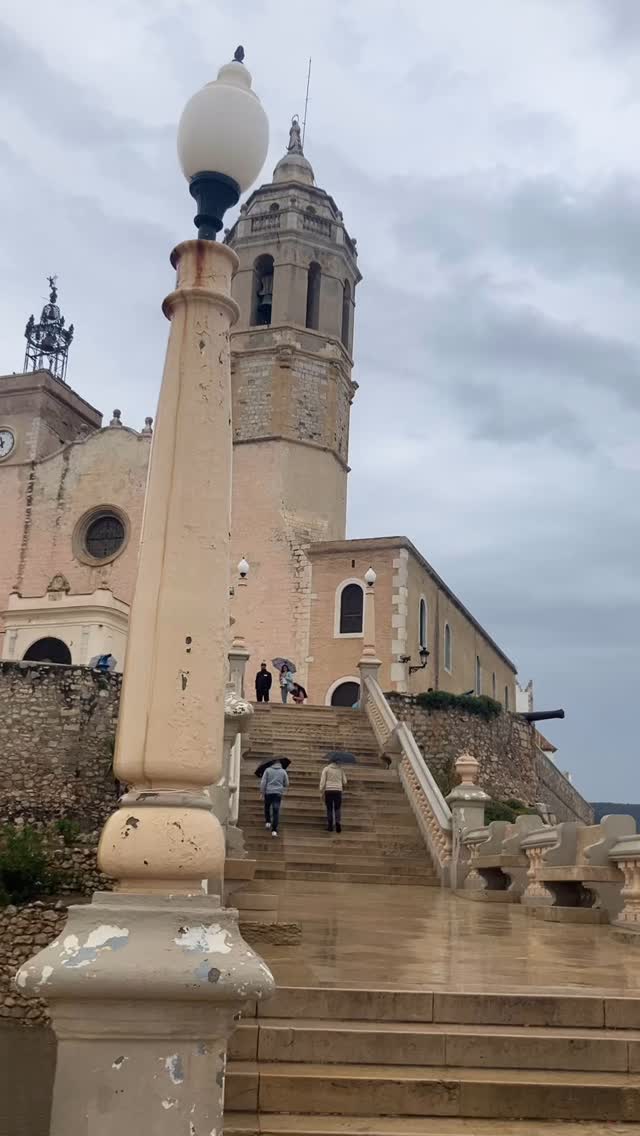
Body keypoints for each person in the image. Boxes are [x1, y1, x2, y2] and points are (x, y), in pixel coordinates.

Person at [260, 759, 289, 837]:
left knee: (267, 807)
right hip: (278, 793)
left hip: (268, 792)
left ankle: (268, 822)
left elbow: (263, 782)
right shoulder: (283, 771)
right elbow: (286, 783)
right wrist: (280, 784)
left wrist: (262, 792)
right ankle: (274, 830)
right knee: (276, 810)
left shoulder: (267, 770)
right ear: (280, 764)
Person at [320, 760, 347, 833]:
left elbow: (322, 781)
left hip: (328, 790)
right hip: (338, 791)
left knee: (329, 808)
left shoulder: (326, 768)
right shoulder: (341, 770)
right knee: (337, 808)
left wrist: (321, 789)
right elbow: (345, 781)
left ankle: (330, 826)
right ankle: (338, 823)